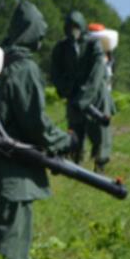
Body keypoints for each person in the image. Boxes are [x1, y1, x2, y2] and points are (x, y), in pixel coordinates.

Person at [0, 1, 76, 259]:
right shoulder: (24, 68)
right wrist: (65, 140)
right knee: (10, 241)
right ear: (33, 34)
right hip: (10, 172)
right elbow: (36, 123)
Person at [50, 11, 111, 170]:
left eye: (76, 26)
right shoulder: (62, 47)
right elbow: (55, 72)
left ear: (82, 26)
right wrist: (65, 89)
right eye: (69, 26)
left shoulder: (93, 45)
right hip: (74, 94)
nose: (72, 30)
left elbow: (97, 74)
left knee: (99, 132)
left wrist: (84, 98)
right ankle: (74, 161)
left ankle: (100, 164)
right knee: (75, 128)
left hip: (96, 95)